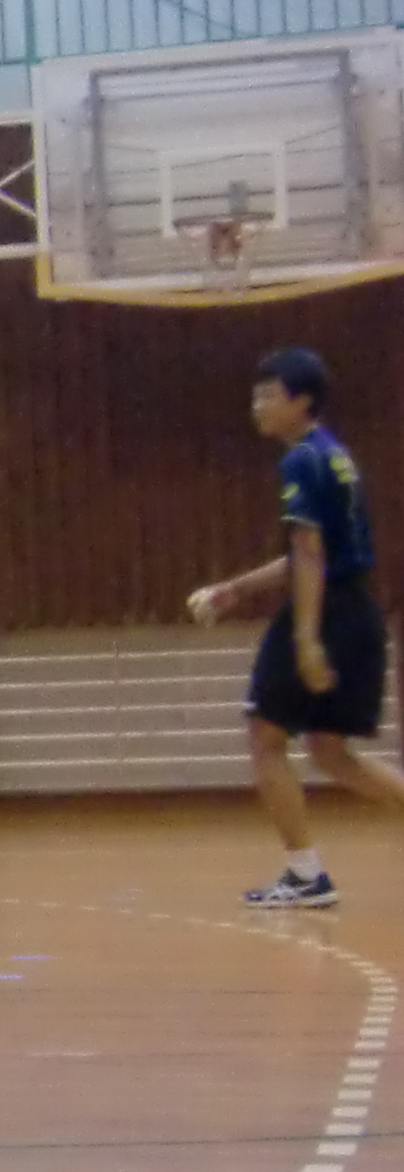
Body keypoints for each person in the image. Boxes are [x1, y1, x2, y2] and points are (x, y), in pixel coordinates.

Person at [188, 346, 404, 908]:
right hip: (357, 611)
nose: (256, 405)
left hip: (328, 614)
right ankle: (306, 874)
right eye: (254, 394)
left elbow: (309, 554)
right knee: (331, 754)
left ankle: (305, 876)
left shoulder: (300, 463)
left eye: (268, 395)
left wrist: (306, 638)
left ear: (301, 401)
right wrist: (236, 589)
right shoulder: (333, 455)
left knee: (265, 736)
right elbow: (309, 551)